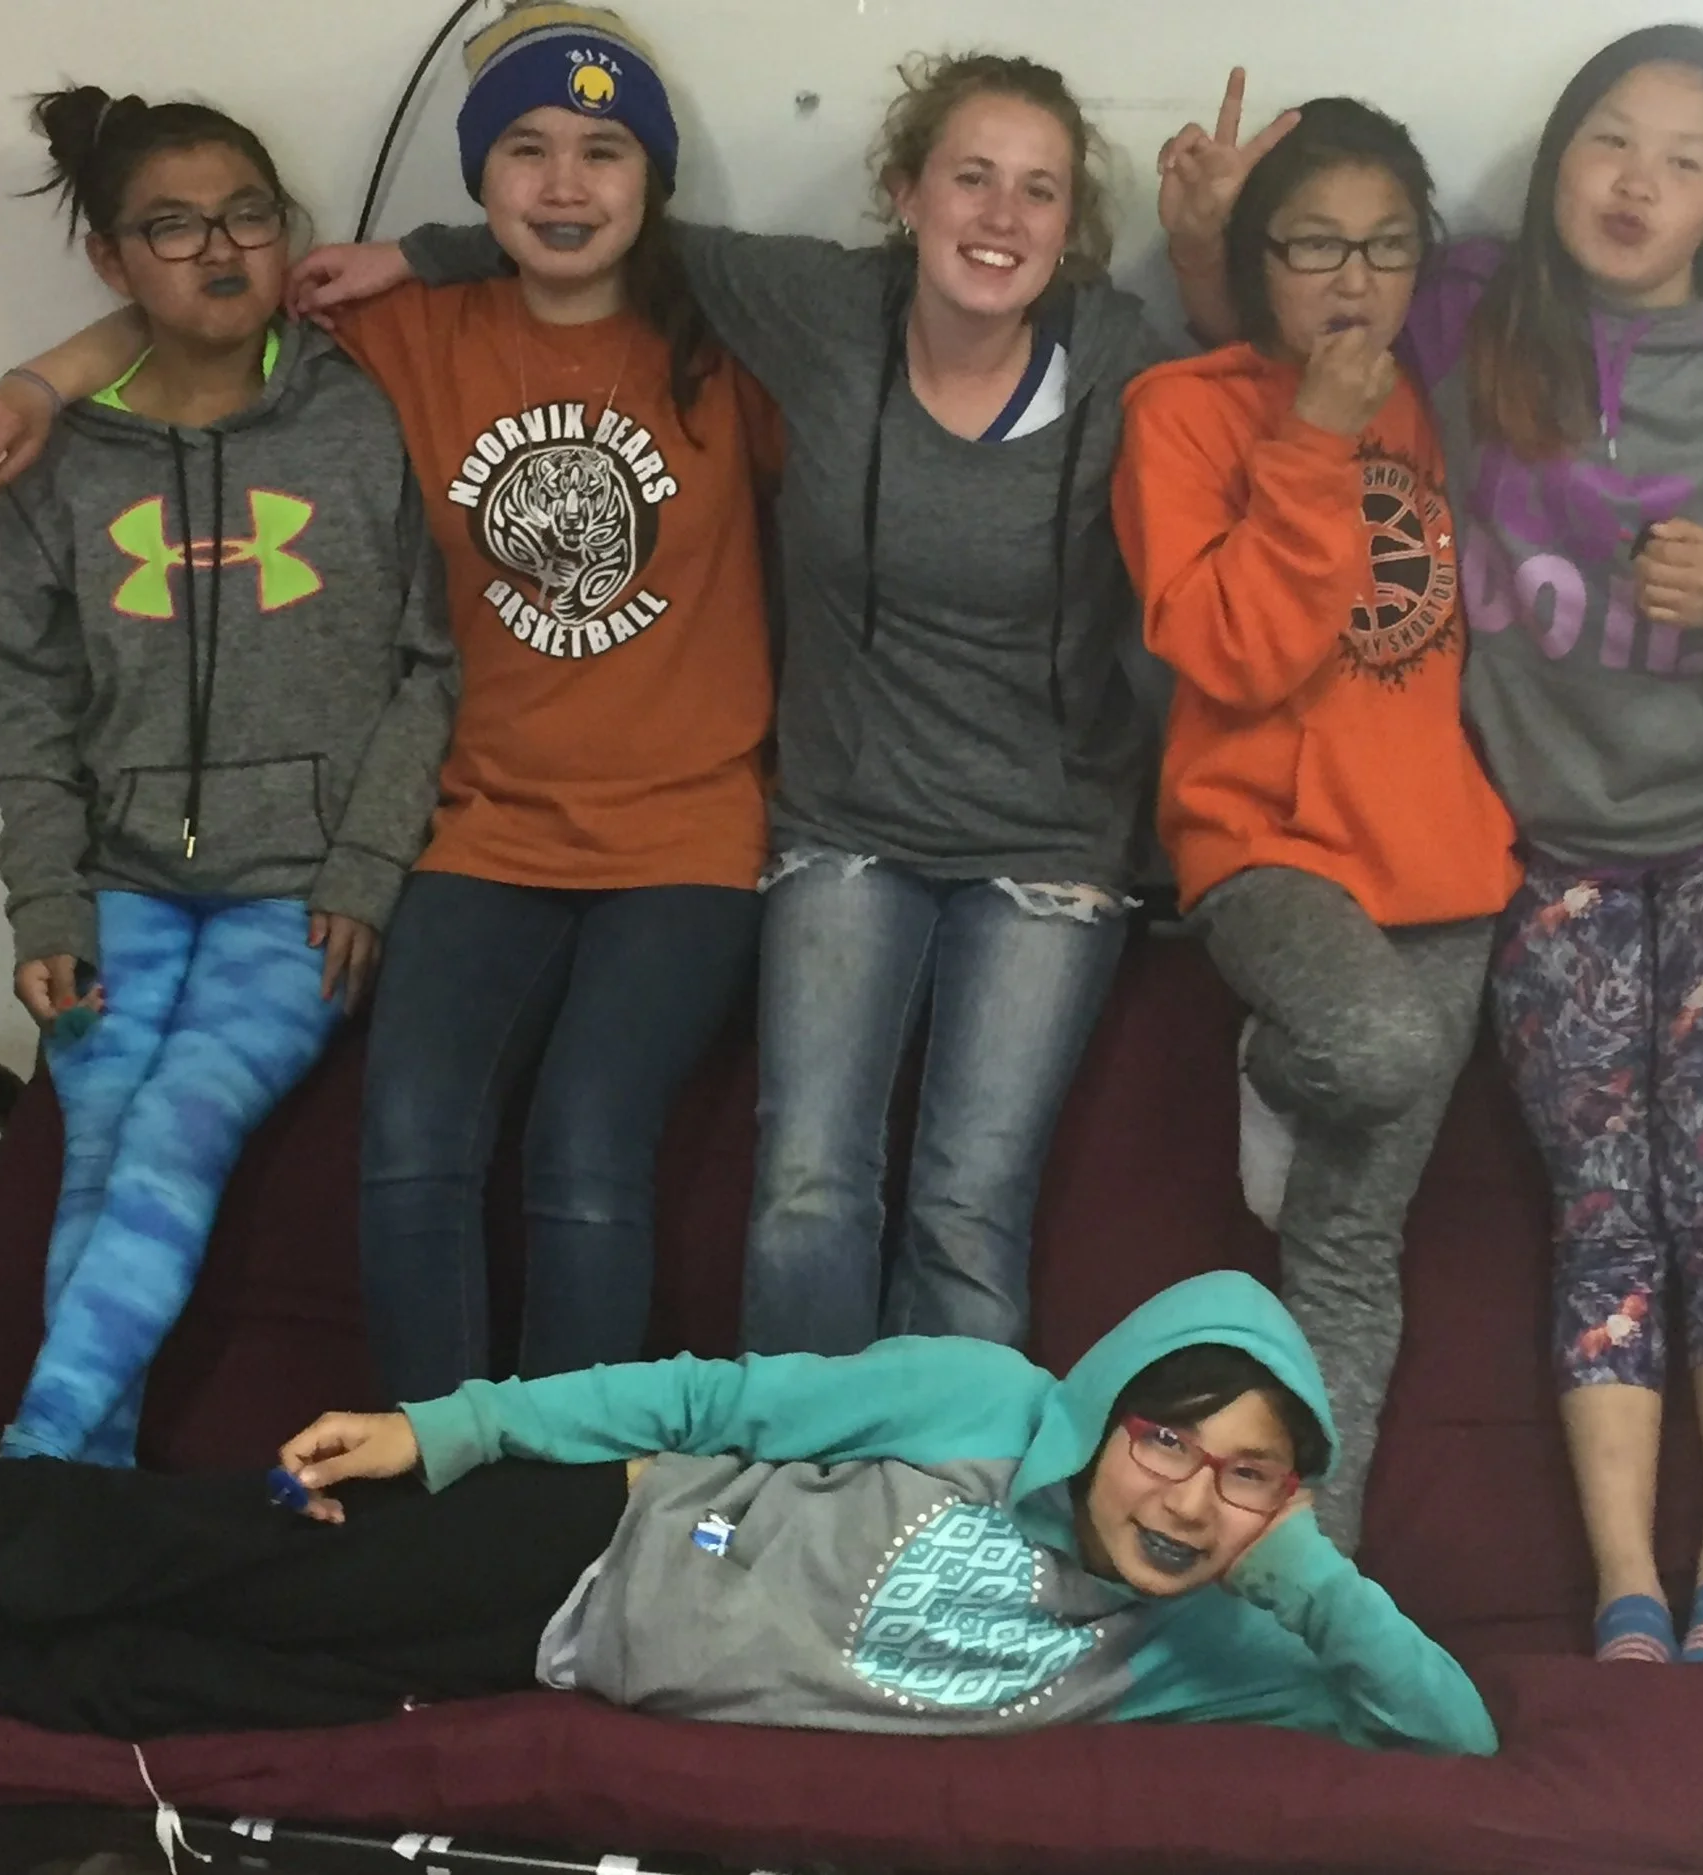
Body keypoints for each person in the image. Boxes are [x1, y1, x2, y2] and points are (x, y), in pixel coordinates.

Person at [288, 42, 1268, 1359]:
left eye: (1037, 190)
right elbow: (601, 224)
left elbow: (1256, 398)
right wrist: (421, 251)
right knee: (807, 1187)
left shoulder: (1114, 356)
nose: (1000, 214)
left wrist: (1206, 256)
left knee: (968, 1207)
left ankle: (933, 1476)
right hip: (844, 824)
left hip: (1049, 839)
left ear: (1070, 225)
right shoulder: (821, 310)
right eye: (970, 177)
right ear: (906, 192)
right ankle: (786, 1472)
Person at [0, 5, 781, 1402]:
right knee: (413, 1139)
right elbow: (200, 315)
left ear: (656, 175)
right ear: (478, 173)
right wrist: (40, 381)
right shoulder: (397, 341)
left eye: (603, 149)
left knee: (585, 1143)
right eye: (525, 148)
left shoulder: (735, 345)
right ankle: (429, 1472)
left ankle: (558, 1491)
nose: (564, 184)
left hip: (688, 834)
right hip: (478, 827)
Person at [1172, 34, 1703, 1663]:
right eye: (1609, 142)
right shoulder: (1468, 306)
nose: (1637, 184)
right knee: (1603, 1199)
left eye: (1685, 160)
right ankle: (1628, 1584)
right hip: (1546, 838)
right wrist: (1212, 245)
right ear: (1559, 155)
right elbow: (1288, 344)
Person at [0, 1273, 1498, 1756]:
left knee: (154, 1678)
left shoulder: (1206, 1645)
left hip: (544, 1659)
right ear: (1110, 1408)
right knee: (158, 1554)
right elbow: (704, 1395)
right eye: (1167, 1441)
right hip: (577, 1537)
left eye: (1246, 1473)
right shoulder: (980, 1399)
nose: (1187, 1496)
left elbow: (1455, 1731)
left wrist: (1295, 1564)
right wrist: (450, 1428)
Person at [0, 86, 455, 1465]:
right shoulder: (61, 460)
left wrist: (366, 866)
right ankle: (78, 1487)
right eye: (173, 228)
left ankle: (37, 1471)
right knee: (98, 1151)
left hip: (299, 892)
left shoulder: (366, 414)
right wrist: (44, 899)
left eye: (248, 215)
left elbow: (436, 662)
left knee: (177, 1132)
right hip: (116, 881)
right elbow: (20, 694)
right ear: (113, 262)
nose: (221, 249)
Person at [1112, 101, 1519, 1554]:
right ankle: (1276, 1066)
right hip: (1265, 847)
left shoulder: (1436, 394)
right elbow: (1235, 651)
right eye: (1316, 248)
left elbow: (1611, 295)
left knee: (1349, 1249)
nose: (1354, 282)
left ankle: (1311, 1577)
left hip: (1443, 863)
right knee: (1374, 1052)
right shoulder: (1181, 412)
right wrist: (1316, 441)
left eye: (1387, 248)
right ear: (1259, 260)